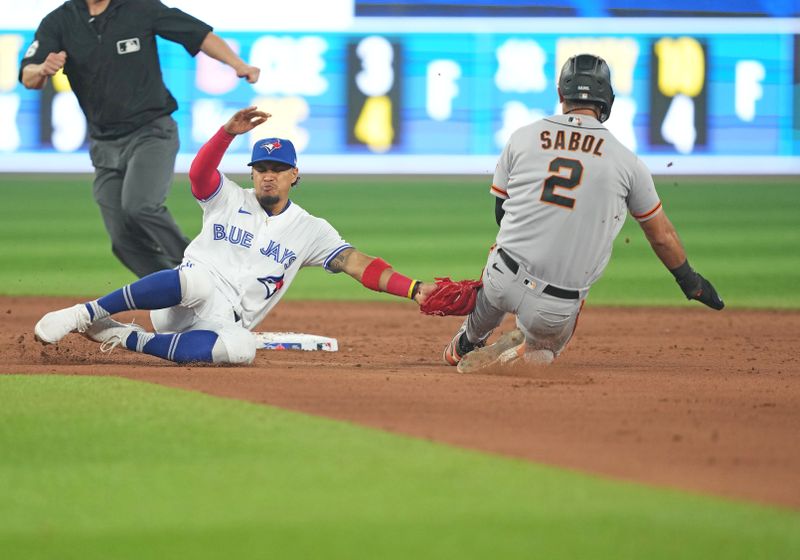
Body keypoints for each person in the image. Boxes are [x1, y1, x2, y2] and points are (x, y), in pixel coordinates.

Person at [33, 107, 434, 364]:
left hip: (222, 320)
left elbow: (358, 264)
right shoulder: (227, 197)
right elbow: (198, 175)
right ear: (253, 172)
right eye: (261, 168)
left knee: (241, 350)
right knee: (199, 280)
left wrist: (414, 287)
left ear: (295, 175)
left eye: (278, 168)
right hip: (182, 297)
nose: (268, 175)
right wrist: (226, 133)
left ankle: (124, 338)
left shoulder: (311, 230)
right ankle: (85, 313)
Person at [444, 53, 724, 374]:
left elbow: (502, 214)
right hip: (556, 305)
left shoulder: (522, 137)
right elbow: (662, 236)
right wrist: (691, 282)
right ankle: (524, 353)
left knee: (499, 259)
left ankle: (468, 337)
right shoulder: (627, 162)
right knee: (546, 346)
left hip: (502, 279)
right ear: (608, 100)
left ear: (562, 95)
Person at [19, 0, 260, 277]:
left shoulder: (139, 8)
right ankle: (179, 294)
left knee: (140, 207)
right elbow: (29, 75)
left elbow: (198, 34)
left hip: (152, 131)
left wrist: (238, 64)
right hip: (104, 143)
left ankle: (207, 271)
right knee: (122, 241)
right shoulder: (60, 20)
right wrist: (41, 70)